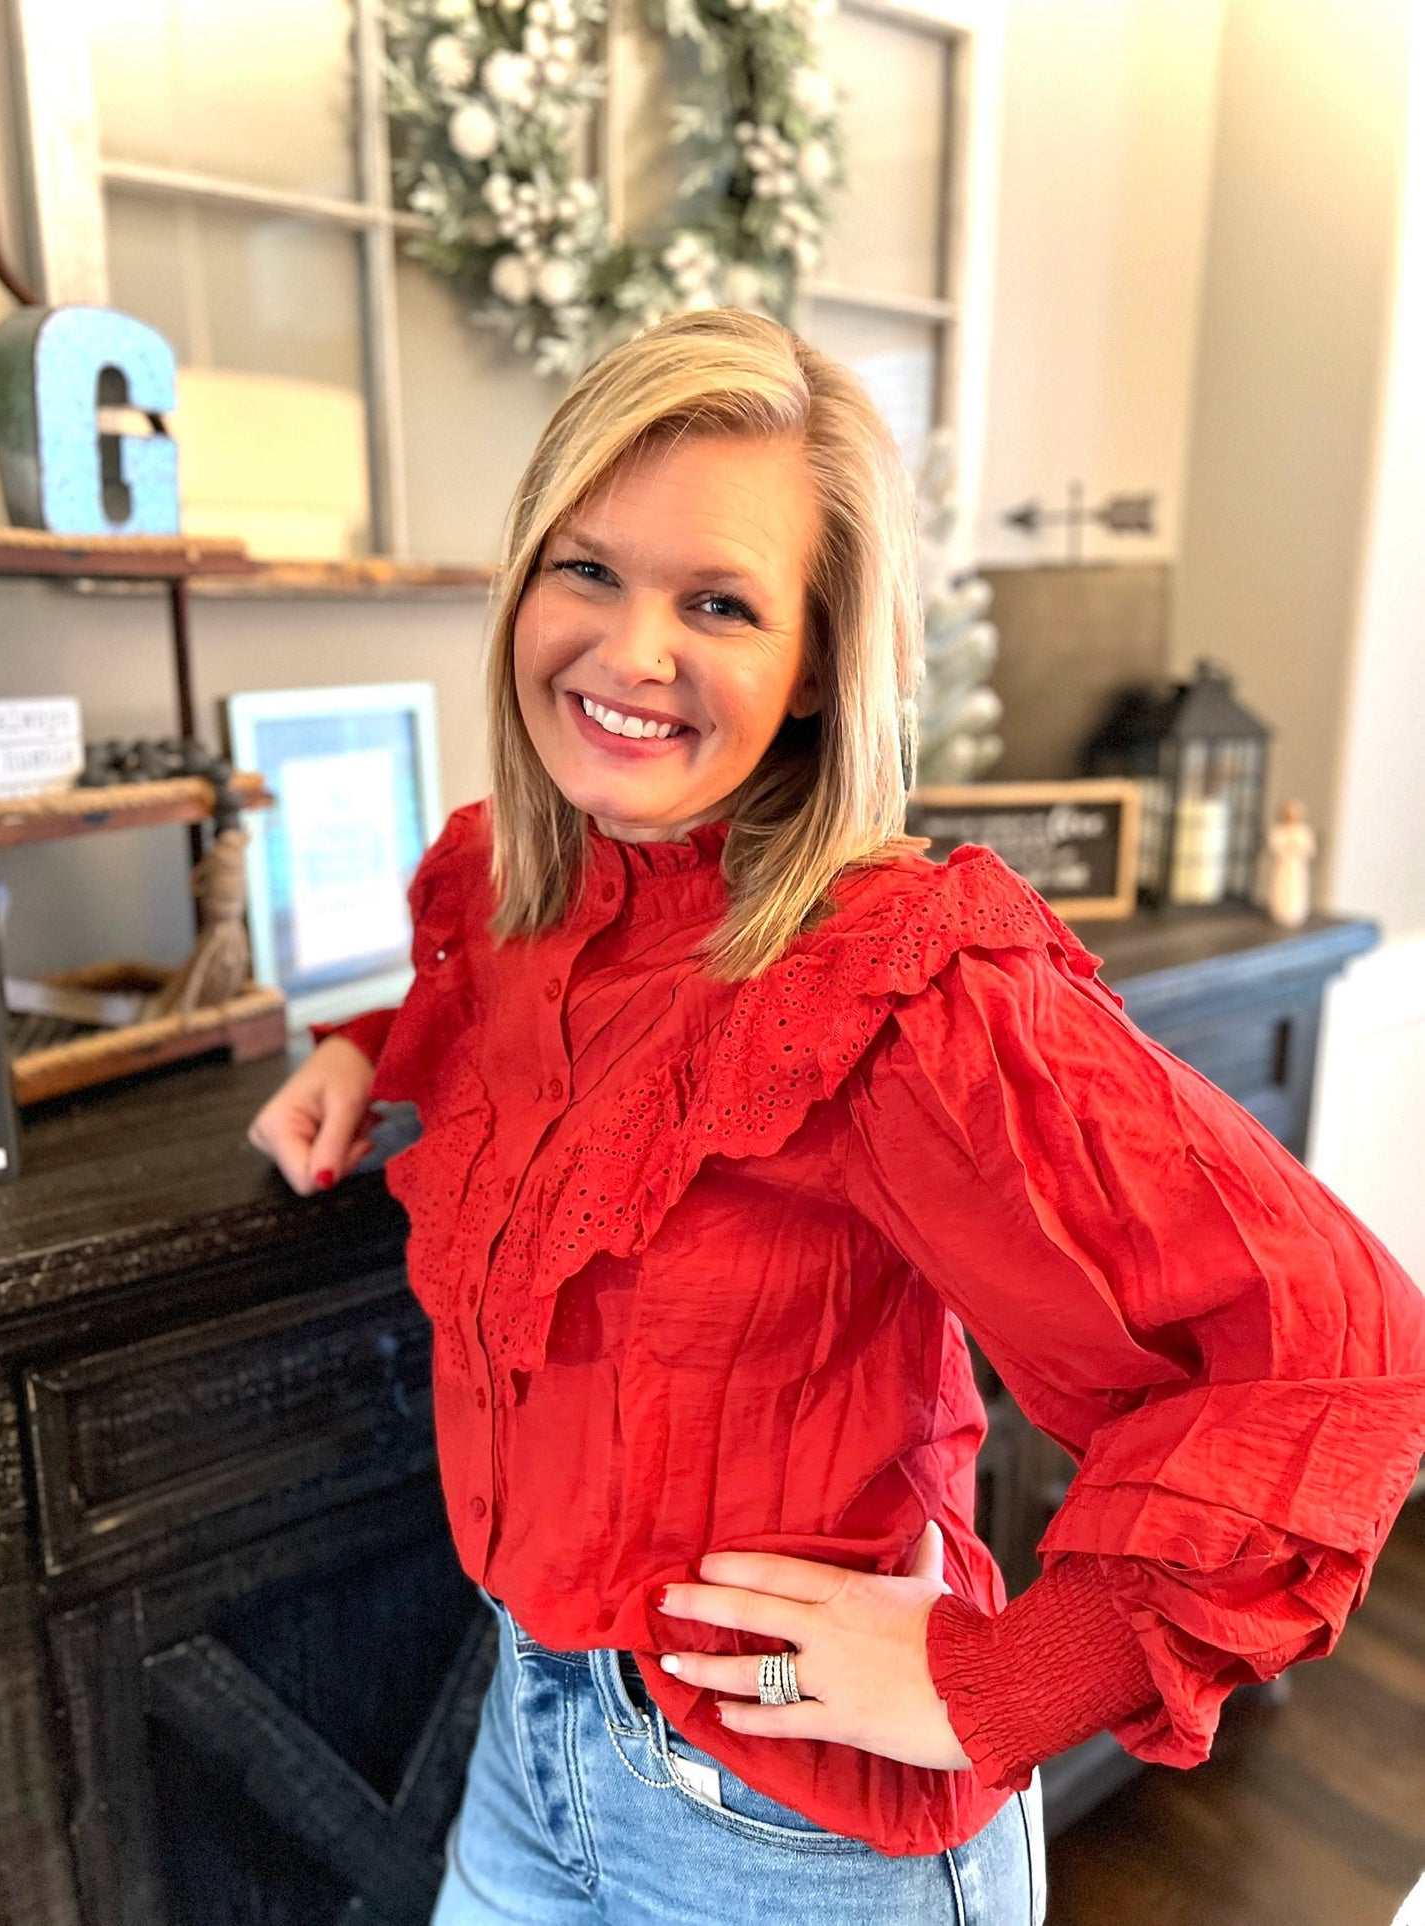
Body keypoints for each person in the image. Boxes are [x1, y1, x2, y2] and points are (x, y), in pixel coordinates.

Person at [248, 309, 1425, 1926]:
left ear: (814, 670)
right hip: (535, 1747)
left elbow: (1338, 1353)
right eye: (586, 568)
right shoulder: (518, 884)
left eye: (717, 603)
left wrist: (999, 1680)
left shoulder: (895, 983)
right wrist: (364, 1049)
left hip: (793, 1834)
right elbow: (512, 1020)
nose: (629, 648)